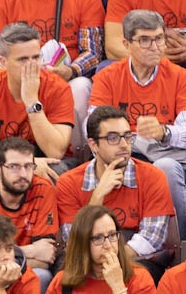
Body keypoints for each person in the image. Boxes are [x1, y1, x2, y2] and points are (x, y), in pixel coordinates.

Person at [58, 104, 176, 268]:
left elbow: (152, 237)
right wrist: (97, 197)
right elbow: (73, 241)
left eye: (127, 136)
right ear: (93, 145)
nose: (123, 145)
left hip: (135, 261)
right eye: (113, 138)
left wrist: (111, 263)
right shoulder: (68, 182)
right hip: (86, 261)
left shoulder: (153, 176)